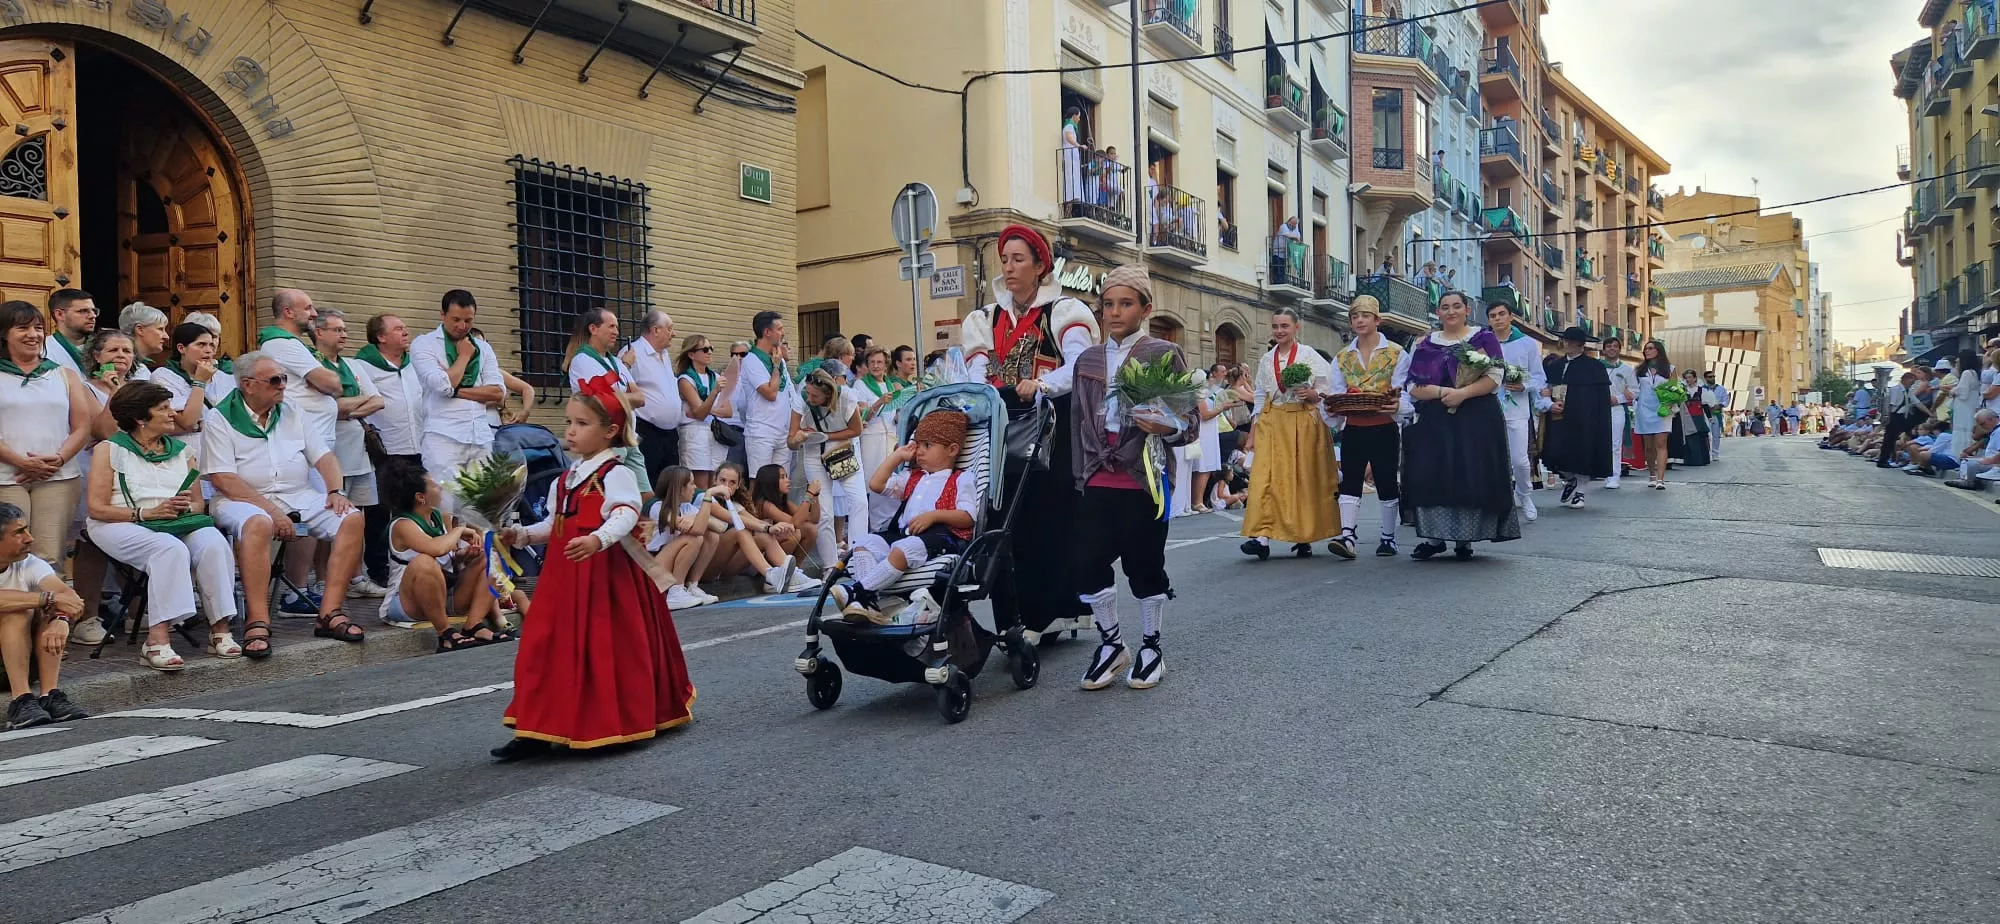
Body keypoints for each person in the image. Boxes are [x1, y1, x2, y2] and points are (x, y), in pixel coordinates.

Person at [491, 373, 695, 761]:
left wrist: (597, 540)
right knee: (542, 646)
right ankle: (535, 726)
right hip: (563, 577)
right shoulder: (565, 479)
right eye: (569, 422)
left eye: (581, 424)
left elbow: (624, 513)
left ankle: (615, 719)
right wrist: (521, 535)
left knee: (609, 648)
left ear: (610, 431)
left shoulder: (615, 473)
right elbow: (554, 524)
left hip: (605, 577)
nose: (570, 431)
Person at [960, 223, 1098, 638]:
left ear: (1040, 266)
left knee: (1048, 518)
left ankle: (1050, 613)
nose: (1009, 267)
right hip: (1003, 425)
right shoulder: (987, 317)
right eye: (1005, 259)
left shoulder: (1064, 311)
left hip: (1051, 425)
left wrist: (1043, 384)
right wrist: (985, 387)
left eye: (1019, 259)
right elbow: (976, 369)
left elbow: (1079, 364)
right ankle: (1013, 618)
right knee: (1004, 517)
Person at [1067, 265, 1197, 690]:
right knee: (1087, 562)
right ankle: (1110, 643)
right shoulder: (1086, 359)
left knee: (1144, 565)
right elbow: (1078, 422)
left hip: (1145, 476)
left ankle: (1151, 645)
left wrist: (1168, 427)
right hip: (1097, 476)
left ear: (1145, 308)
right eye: (1108, 304)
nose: (1115, 312)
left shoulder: (1161, 352)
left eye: (1125, 304)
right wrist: (1081, 473)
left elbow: (1188, 420)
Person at [202, 351, 368, 657]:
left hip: (296, 494)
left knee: (351, 518)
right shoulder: (220, 418)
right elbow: (223, 478)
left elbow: (324, 457)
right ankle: (258, 619)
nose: (283, 386)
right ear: (248, 385)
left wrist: (335, 490)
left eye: (284, 379)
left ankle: (329, 612)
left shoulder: (292, 411)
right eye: (275, 380)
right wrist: (273, 511)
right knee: (259, 523)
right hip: (240, 499)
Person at [84, 381, 240, 670]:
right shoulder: (110, 449)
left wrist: (183, 508)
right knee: (168, 549)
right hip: (119, 521)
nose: (173, 414)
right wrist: (145, 514)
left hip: (173, 521)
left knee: (214, 542)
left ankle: (220, 630)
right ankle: (156, 640)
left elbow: (197, 504)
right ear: (140, 419)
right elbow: (97, 507)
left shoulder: (183, 452)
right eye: (164, 409)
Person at [825, 409, 978, 623]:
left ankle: (858, 591)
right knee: (864, 544)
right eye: (918, 445)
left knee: (901, 550)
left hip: (940, 537)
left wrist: (934, 516)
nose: (919, 452)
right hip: (902, 534)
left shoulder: (961, 479)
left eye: (927, 446)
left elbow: (968, 517)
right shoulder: (912, 477)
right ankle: (866, 602)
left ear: (952, 449)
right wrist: (897, 456)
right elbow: (876, 484)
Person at [1399, 292, 1520, 559]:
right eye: (1445, 307)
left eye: (1456, 306)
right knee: (1433, 472)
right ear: (1438, 313)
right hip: (1435, 418)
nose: (1451, 311)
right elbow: (1413, 386)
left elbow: (1495, 377)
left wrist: (1463, 393)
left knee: (1470, 472)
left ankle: (1465, 538)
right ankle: (1433, 538)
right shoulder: (1425, 344)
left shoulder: (1483, 339)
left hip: (1476, 416)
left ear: (1467, 310)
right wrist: (1445, 392)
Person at [1240, 307, 1343, 560]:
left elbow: (1329, 387)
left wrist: (1314, 394)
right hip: (1272, 421)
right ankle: (1261, 537)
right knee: (1265, 478)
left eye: (1284, 326)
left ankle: (1303, 535)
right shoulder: (1267, 359)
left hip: (1301, 422)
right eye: (1275, 326)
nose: (1279, 331)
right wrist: (1253, 431)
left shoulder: (1308, 356)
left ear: (1297, 327)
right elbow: (1261, 395)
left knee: (1300, 480)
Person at [375, 459, 506, 648]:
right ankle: (445, 633)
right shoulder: (403, 525)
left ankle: (473, 625)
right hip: (407, 603)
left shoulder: (436, 516)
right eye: (434, 485)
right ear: (421, 497)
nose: (440, 487)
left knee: (489, 558)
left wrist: (464, 555)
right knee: (424, 562)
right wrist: (458, 531)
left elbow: (447, 557)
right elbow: (435, 549)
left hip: (443, 595)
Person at [0, 301, 93, 567]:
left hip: (58, 476)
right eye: (22, 328)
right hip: (7, 478)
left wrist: (58, 459)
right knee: (11, 555)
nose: (33, 335)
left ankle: (53, 606)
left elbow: (82, 426)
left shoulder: (63, 375)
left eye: (38, 328)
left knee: (49, 555)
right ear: (5, 333)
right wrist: (22, 463)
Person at [311, 310, 387, 597]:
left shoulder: (353, 364)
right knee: (327, 521)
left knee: (358, 518)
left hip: (359, 454)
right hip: (331, 454)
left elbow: (378, 401)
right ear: (319, 332)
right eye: (337, 329)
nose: (344, 334)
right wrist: (343, 407)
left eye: (345, 329)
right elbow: (328, 405)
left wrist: (344, 407)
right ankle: (321, 579)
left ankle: (356, 578)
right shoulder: (313, 365)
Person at [1331, 296, 1410, 556]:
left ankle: (1388, 537)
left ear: (1377, 320)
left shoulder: (1397, 353)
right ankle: (1347, 536)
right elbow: (1336, 391)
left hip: (1384, 425)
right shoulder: (1342, 357)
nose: (1360, 320)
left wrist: (1399, 406)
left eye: (1365, 315)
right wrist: (1334, 410)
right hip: (1353, 426)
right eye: (1355, 316)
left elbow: (1402, 391)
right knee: (1350, 481)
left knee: (1386, 481)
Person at [0, 501, 89, 729]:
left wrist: (60, 620)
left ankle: (49, 696)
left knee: (48, 613)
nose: (30, 538)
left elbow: (69, 598)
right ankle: (20, 701)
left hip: (19, 661)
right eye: (19, 532)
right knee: (19, 610)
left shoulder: (29, 563)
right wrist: (46, 599)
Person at [356, 314, 425, 593]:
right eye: (398, 328)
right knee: (379, 513)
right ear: (381, 337)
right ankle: (378, 569)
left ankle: (412, 562)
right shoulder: (363, 366)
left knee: (415, 508)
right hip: (386, 449)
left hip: (418, 446)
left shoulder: (414, 365)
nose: (406, 332)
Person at [411, 290, 505, 477]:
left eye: (468, 321)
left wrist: (455, 390)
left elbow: (497, 393)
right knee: (445, 501)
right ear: (442, 315)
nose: (462, 326)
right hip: (443, 437)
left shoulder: (484, 348)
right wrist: (464, 356)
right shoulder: (424, 344)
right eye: (456, 319)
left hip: (481, 436)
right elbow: (441, 386)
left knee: (482, 502)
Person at [566, 306, 650, 492]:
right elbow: (603, 401)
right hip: (607, 441)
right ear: (593, 329)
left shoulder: (617, 362)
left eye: (617, 327)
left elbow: (640, 398)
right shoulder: (583, 360)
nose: (616, 332)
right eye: (611, 326)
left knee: (645, 495)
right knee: (610, 494)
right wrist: (623, 397)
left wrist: (618, 397)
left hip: (628, 437)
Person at [789, 364, 862, 567]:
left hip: (842, 451)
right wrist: (798, 439)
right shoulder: (802, 399)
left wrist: (826, 436)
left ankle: (857, 558)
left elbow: (856, 429)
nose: (810, 399)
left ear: (828, 394)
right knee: (824, 511)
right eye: (808, 393)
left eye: (815, 396)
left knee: (858, 502)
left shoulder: (845, 396)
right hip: (813, 454)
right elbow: (790, 441)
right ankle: (830, 566)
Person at [1486, 299, 1550, 522]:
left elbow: (1539, 377)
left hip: (1517, 408)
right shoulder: (1482, 343)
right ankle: (1496, 500)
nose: (1497, 319)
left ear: (1510, 316)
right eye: (1493, 315)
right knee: (1490, 458)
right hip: (1488, 405)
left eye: (1501, 314)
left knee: (1520, 460)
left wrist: (1525, 385)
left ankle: (1524, 494)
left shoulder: (1527, 343)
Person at [255, 289, 342, 451]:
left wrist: (318, 382)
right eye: (308, 308)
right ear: (288, 312)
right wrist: (323, 382)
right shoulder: (283, 343)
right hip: (303, 442)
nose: (314, 314)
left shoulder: (292, 344)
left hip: (312, 438)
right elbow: (332, 383)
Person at [1539, 327, 1615, 509]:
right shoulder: (1555, 365)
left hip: (1585, 418)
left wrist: (1598, 420)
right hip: (1559, 416)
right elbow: (1546, 387)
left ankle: (1580, 492)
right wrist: (1547, 400)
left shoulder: (1594, 366)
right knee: (1556, 451)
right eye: (1564, 340)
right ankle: (1570, 479)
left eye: (1570, 340)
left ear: (1580, 344)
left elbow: (1602, 398)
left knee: (1583, 453)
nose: (1566, 343)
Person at [646, 465, 722, 610]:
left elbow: (720, 527)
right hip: (655, 566)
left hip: (669, 564)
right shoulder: (658, 507)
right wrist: (708, 495)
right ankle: (676, 591)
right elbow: (698, 530)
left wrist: (693, 518)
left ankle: (692, 586)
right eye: (691, 484)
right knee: (694, 538)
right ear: (680, 488)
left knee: (712, 536)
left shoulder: (686, 507)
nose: (695, 487)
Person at [624, 310, 683, 486]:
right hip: (647, 431)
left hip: (670, 434)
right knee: (648, 483)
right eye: (670, 328)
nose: (674, 333)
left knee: (670, 485)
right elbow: (622, 390)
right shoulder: (632, 354)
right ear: (655, 330)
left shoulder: (664, 354)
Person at [749, 463, 825, 593]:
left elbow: (814, 519)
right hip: (758, 555)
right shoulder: (764, 504)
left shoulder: (783, 502)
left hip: (773, 547)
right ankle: (773, 578)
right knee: (793, 533)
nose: (788, 480)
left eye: (787, 476)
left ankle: (795, 573)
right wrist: (809, 494)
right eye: (782, 477)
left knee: (810, 529)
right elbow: (793, 524)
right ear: (771, 482)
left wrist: (815, 496)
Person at [739, 311, 796, 476]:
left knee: (781, 484)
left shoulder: (779, 358)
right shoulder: (751, 360)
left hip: (783, 430)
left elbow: (790, 394)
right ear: (767, 332)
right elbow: (770, 394)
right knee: (759, 481)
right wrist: (776, 366)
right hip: (761, 431)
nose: (782, 333)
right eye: (779, 328)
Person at [675, 334, 734, 490]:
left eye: (711, 348)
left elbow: (728, 411)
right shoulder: (685, 379)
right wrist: (714, 393)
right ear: (691, 354)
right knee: (700, 484)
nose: (710, 352)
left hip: (713, 431)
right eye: (705, 349)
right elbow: (700, 414)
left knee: (715, 481)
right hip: (694, 432)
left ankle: (713, 513)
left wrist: (707, 409)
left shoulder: (714, 376)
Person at [158, 322, 237, 434]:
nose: (209, 350)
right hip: (190, 446)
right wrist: (200, 381)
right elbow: (188, 421)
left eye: (211, 345)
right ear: (181, 348)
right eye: (201, 344)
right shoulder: (164, 376)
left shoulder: (224, 377)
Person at [854, 346, 901, 488]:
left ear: (886, 364)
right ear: (867, 365)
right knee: (872, 479)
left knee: (891, 480)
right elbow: (861, 417)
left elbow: (894, 415)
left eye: (879, 362)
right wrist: (879, 402)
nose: (875, 366)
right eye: (872, 362)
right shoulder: (860, 385)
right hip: (871, 439)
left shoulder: (891, 385)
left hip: (891, 437)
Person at [1631, 340, 1674, 489]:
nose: (1647, 351)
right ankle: (1651, 474)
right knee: (1648, 447)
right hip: (1644, 409)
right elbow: (1634, 390)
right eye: (1646, 349)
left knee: (1661, 444)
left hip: (1662, 410)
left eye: (1651, 348)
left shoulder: (1670, 369)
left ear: (1658, 350)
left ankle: (1661, 480)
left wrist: (1670, 404)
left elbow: (1675, 389)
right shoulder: (1639, 370)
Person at [1600, 336, 1637, 488]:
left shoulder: (1627, 369)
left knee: (1615, 443)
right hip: (1598, 409)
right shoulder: (1597, 366)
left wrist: (1619, 398)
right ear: (1603, 349)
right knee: (1601, 442)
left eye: (1615, 346)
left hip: (1616, 409)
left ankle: (1614, 476)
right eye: (1609, 346)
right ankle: (1602, 471)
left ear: (1619, 349)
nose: (1612, 348)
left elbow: (1635, 390)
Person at [1189, 363, 1226, 514]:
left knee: (1206, 467)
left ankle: (1195, 500)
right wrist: (1222, 408)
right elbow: (1205, 415)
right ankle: (1196, 501)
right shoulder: (1199, 394)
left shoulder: (1207, 392)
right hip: (1204, 432)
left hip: (1210, 431)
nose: (1211, 379)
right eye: (1209, 377)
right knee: (1203, 467)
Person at [43, 289, 98, 379]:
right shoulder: (43, 349)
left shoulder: (104, 347)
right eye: (83, 311)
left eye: (94, 311)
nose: (93, 316)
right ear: (60, 314)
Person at [1668, 369, 1712, 467]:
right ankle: (1688, 460)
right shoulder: (1682, 390)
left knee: (1699, 437)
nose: (1688, 380)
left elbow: (1705, 405)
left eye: (1690, 377)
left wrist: (1709, 417)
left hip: (1698, 416)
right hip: (1686, 416)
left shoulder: (1701, 390)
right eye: (1686, 378)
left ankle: (1700, 460)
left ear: (1695, 378)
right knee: (1688, 437)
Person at [1877, 371, 1920, 468]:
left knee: (1894, 438)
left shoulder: (1908, 391)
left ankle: (1889, 459)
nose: (1912, 382)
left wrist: (1930, 413)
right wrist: (1886, 417)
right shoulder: (1896, 390)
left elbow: (1918, 403)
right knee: (1889, 439)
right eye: (1911, 380)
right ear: (1904, 379)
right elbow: (1891, 405)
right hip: (1894, 415)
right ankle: (1883, 460)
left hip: (1902, 416)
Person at [119, 301, 170, 380]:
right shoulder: (123, 366)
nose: (166, 337)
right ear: (140, 329)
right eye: (160, 329)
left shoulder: (140, 368)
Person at [1699, 370, 1728, 459]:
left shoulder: (1721, 389)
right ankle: (1706, 453)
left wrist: (1719, 405)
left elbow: (1726, 400)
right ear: (1706, 378)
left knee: (1716, 435)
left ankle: (1715, 453)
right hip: (1705, 414)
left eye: (1713, 376)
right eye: (1710, 377)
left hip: (1716, 414)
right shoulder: (1701, 388)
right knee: (1707, 435)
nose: (1712, 378)